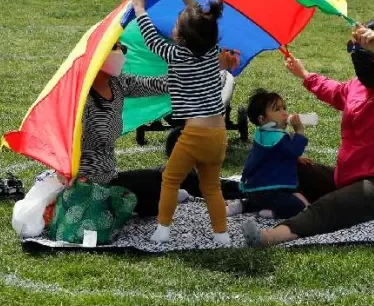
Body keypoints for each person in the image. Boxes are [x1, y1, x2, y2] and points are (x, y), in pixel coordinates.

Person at [241, 19, 374, 248]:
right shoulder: (358, 85)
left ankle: (271, 236)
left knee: (332, 205)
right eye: (353, 47)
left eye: (362, 46)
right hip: (346, 178)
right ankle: (244, 198)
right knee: (287, 165)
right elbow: (336, 91)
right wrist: (305, 75)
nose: (355, 53)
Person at [55, 40, 241, 218]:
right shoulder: (80, 100)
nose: (121, 52)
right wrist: (61, 168)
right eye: (115, 47)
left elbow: (164, 83)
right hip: (90, 187)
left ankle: (244, 190)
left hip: (112, 179)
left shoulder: (117, 83)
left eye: (122, 48)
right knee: (159, 192)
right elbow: (60, 138)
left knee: (177, 175)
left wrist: (213, 66)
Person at [132, 0, 231, 245]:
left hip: (194, 135)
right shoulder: (212, 51)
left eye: (177, 26)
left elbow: (152, 39)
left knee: (170, 179)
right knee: (211, 186)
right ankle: (221, 235)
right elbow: (206, 22)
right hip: (218, 135)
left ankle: (163, 230)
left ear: (182, 38)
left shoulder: (176, 54)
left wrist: (140, 9)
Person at [225, 88, 311, 219]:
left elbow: (274, 155)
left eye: (284, 108)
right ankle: (273, 213)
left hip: (254, 192)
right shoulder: (278, 137)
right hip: (271, 191)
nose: (284, 113)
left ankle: (243, 205)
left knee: (259, 201)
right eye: (277, 110)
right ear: (262, 119)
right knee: (298, 206)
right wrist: (299, 131)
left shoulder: (262, 134)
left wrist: (296, 158)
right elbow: (294, 150)